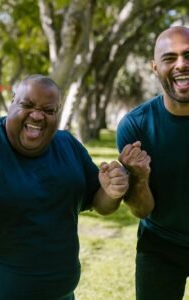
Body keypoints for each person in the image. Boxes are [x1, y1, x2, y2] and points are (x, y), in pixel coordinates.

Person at [0, 74, 128, 300]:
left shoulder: (68, 146)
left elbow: (100, 204)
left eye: (48, 111)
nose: (37, 115)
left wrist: (111, 192)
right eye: (27, 105)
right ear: (12, 102)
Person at [117, 26, 189, 300]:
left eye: (188, 55)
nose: (181, 64)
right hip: (160, 244)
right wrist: (139, 176)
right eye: (170, 58)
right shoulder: (135, 126)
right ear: (155, 67)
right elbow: (141, 209)